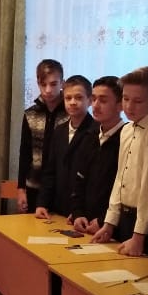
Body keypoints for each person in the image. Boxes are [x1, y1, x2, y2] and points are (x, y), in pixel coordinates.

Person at [91, 66, 148, 256]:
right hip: (124, 216)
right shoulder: (127, 130)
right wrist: (109, 223)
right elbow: (120, 178)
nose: (129, 107)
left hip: (144, 223)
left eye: (138, 101)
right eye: (126, 99)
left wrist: (139, 235)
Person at [35, 75, 95, 220]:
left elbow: (95, 180)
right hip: (57, 207)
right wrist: (42, 203)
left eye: (79, 98)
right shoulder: (59, 131)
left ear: (90, 100)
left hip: (83, 211)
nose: (73, 102)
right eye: (68, 98)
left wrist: (80, 211)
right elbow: (50, 171)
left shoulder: (96, 131)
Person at [70, 76, 124, 235]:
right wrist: (78, 213)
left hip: (112, 227)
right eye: (93, 99)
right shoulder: (90, 135)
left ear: (120, 104)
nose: (95, 105)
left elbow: (122, 190)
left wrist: (103, 221)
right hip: (85, 223)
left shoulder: (126, 138)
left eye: (103, 100)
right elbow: (79, 180)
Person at [16, 59, 66, 213]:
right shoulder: (30, 114)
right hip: (34, 185)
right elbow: (24, 153)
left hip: (61, 188)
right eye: (43, 84)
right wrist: (21, 189)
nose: (48, 90)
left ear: (62, 83)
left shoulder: (70, 113)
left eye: (53, 84)